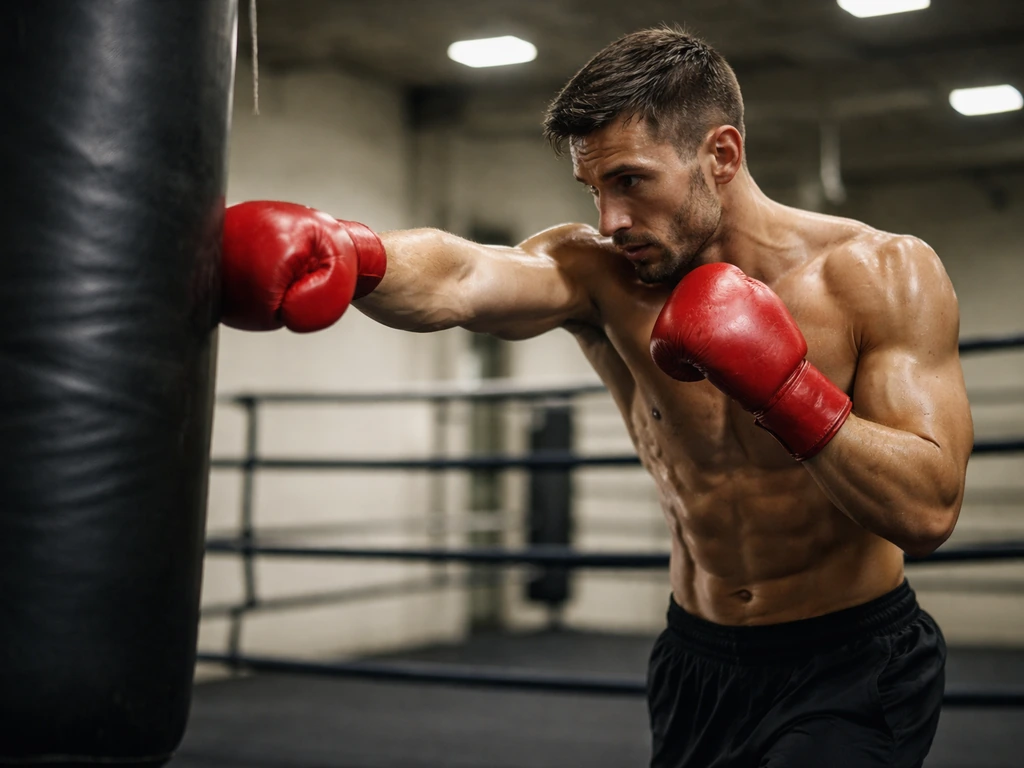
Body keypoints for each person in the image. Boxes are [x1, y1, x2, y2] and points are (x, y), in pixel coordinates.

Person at [220, 26, 974, 768]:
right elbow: (463, 275)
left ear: (721, 155)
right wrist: (354, 253)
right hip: (696, 661)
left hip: (849, 665)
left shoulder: (879, 274)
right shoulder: (603, 276)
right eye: (595, 189)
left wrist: (785, 389)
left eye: (632, 181)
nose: (612, 221)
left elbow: (928, 510)